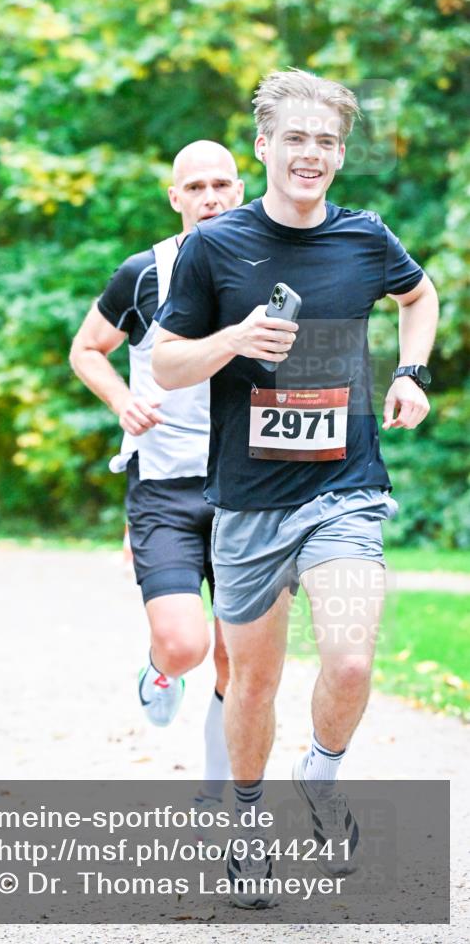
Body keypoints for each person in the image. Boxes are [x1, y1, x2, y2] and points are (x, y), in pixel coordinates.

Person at [152, 69, 439, 907]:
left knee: (349, 658)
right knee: (253, 682)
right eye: (295, 139)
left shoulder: (363, 238)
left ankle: (320, 775)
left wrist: (412, 371)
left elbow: (417, 297)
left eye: (325, 141)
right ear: (263, 147)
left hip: (343, 490)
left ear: (338, 154)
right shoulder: (215, 246)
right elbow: (168, 363)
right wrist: (233, 337)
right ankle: (246, 824)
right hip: (246, 503)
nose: (309, 154)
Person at [70, 141, 244, 803]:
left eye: (220, 184)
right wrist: (122, 399)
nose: (209, 197)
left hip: (247, 490)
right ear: (175, 199)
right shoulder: (145, 274)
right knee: (183, 645)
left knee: (237, 656)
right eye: (194, 186)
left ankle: (218, 791)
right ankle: (161, 671)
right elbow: (86, 349)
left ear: (239, 190)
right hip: (166, 487)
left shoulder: (270, 268)